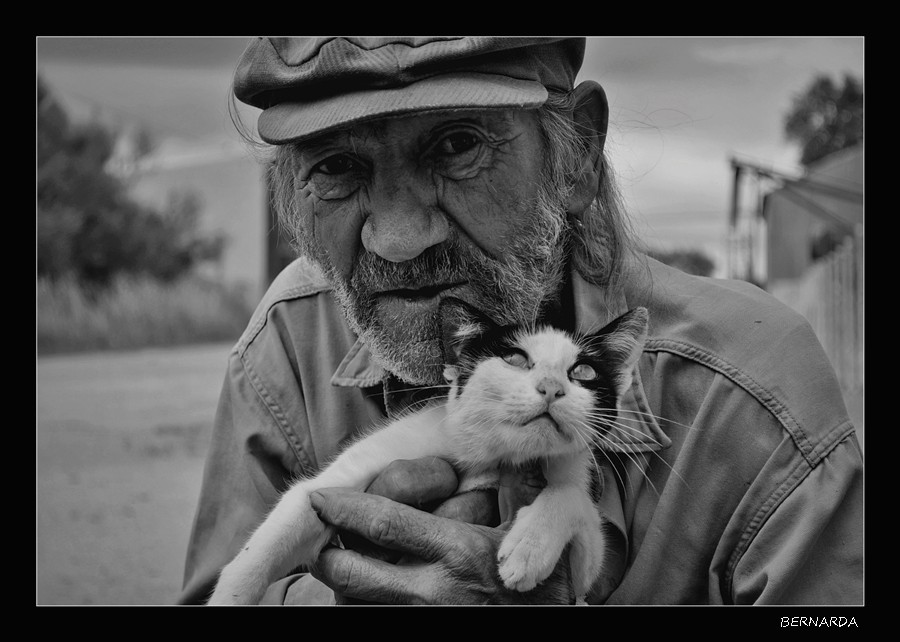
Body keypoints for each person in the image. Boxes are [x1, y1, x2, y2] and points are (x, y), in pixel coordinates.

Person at [179, 37, 863, 605]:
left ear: (578, 156)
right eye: (336, 166)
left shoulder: (750, 395)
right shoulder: (291, 340)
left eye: (453, 146)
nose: (396, 237)